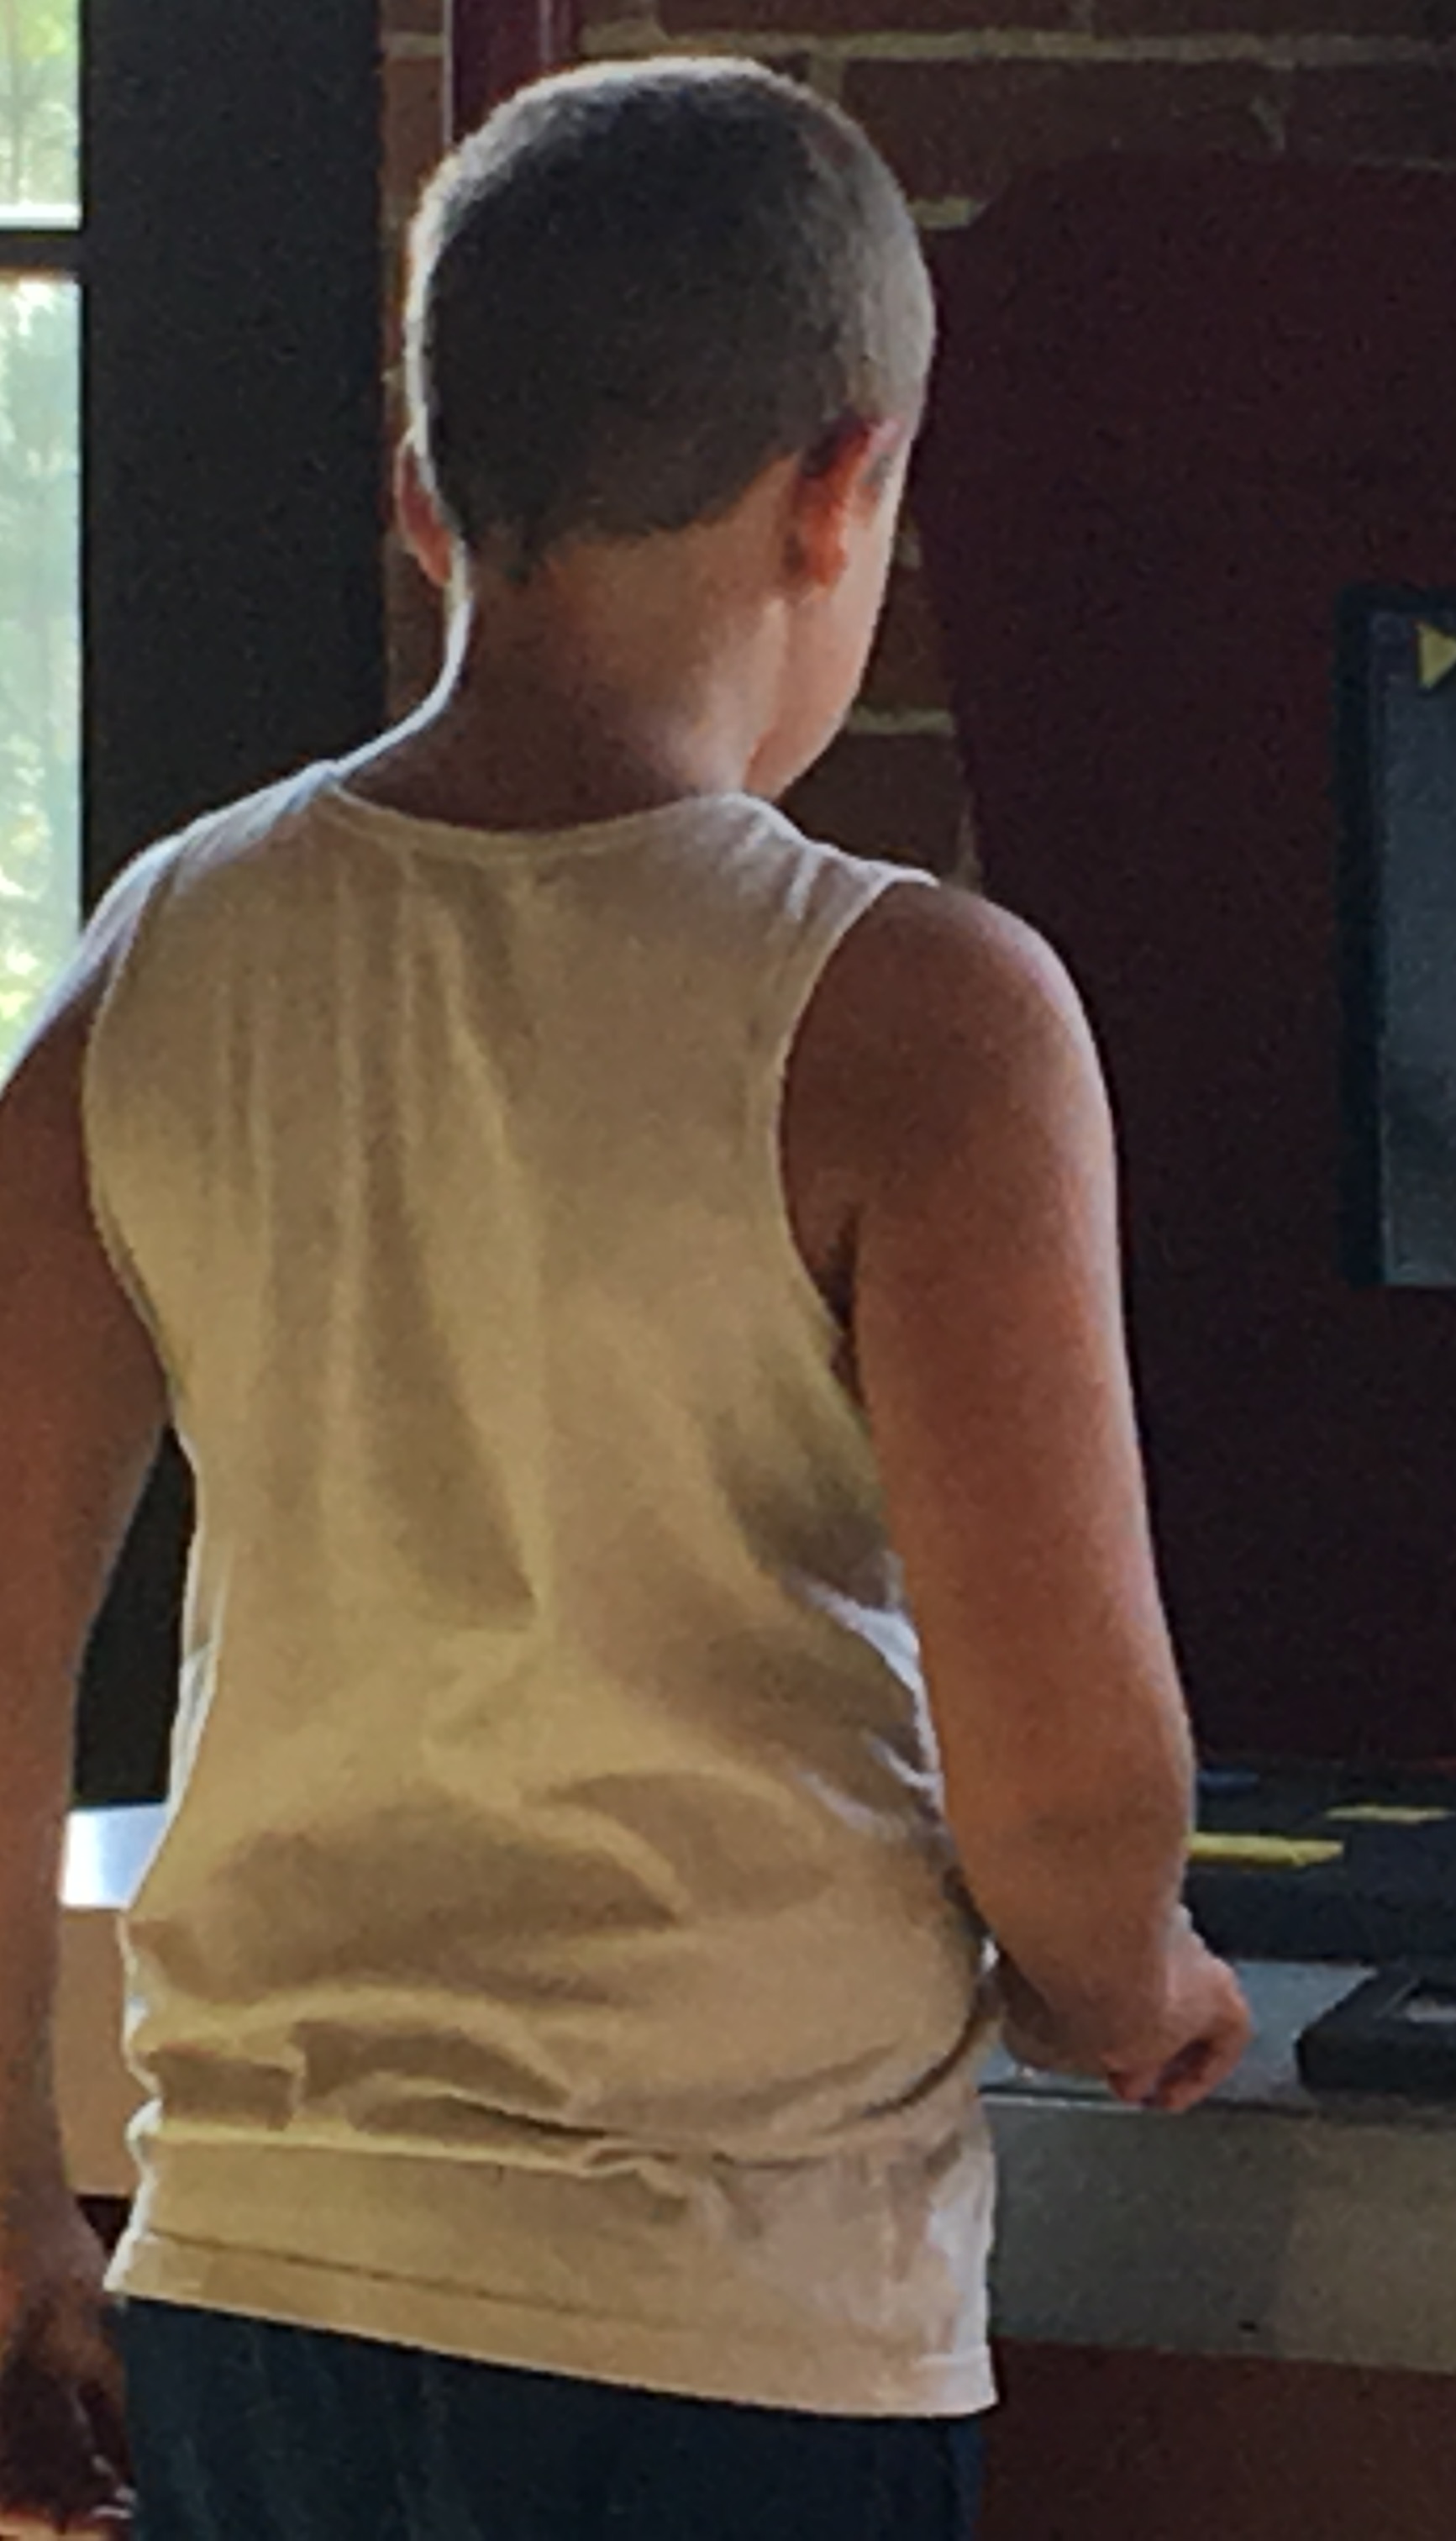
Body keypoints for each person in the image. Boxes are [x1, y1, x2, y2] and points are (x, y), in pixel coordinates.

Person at [0, 56, 1248, 2539]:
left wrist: (10, 2202)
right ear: (841, 489)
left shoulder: (157, 964)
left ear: (423, 495)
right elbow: (1062, 1785)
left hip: (266, 2278)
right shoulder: (921, 1019)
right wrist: (1134, 1975)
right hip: (738, 2315)